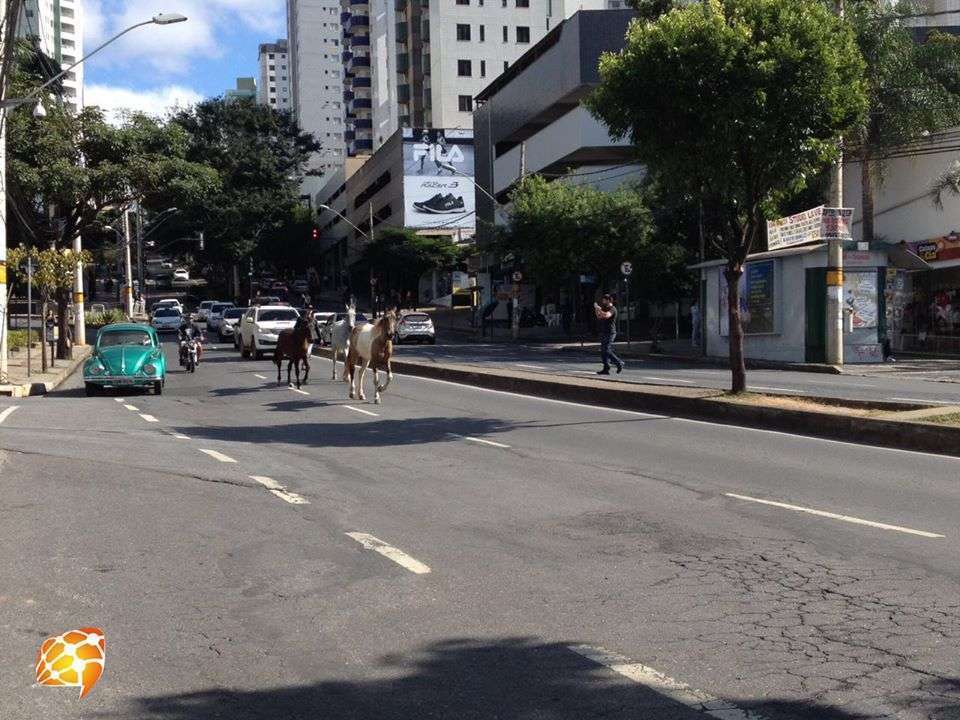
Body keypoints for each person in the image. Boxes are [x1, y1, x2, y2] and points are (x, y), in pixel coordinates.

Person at [594, 294, 623, 375]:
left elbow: (606, 315)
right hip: (604, 332)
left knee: (606, 349)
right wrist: (596, 309)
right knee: (603, 351)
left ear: (609, 300)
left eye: (604, 300)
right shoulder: (604, 308)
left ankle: (618, 363)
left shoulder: (612, 308)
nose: (602, 301)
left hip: (611, 332)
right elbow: (599, 317)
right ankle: (606, 369)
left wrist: (599, 309)